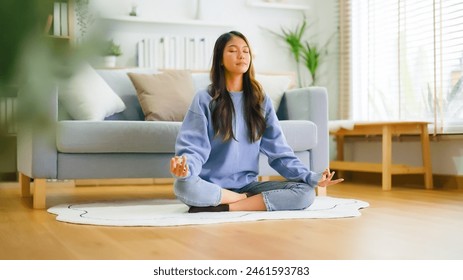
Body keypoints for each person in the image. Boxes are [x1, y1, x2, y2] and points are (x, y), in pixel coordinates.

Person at [170, 31, 343, 213]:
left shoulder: (260, 101)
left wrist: (310, 176)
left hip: (248, 186)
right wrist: (186, 168)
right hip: (212, 186)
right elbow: (194, 147)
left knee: (306, 193)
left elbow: (280, 153)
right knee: (184, 186)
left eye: (246, 51)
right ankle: (242, 201)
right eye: (233, 50)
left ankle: (225, 207)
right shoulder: (205, 98)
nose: (241, 55)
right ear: (220, 59)